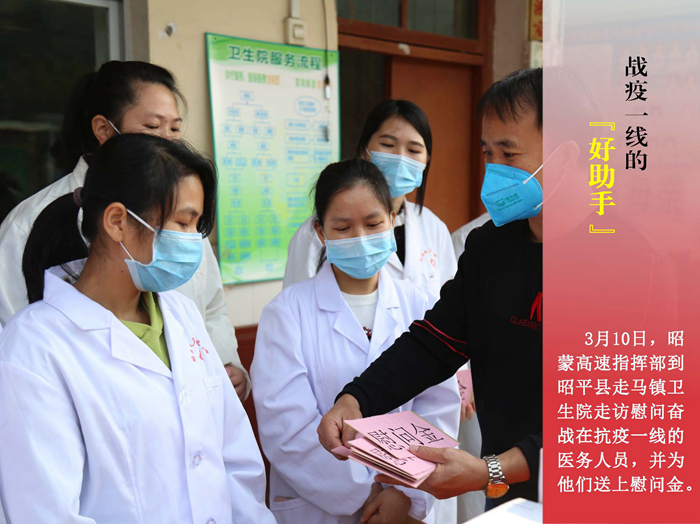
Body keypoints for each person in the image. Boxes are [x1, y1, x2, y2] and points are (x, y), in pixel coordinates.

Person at [0, 134, 275, 524]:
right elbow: (45, 511)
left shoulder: (181, 315)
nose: (194, 241)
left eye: (197, 225)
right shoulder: (34, 346)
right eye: (182, 222)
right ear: (117, 222)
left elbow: (233, 457)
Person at [318, 68, 554, 509]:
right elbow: (436, 342)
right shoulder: (489, 247)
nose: (495, 170)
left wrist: (490, 470)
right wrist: (358, 398)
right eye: (488, 152)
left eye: (509, 152)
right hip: (508, 498)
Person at [0, 61, 250, 400]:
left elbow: (211, 307)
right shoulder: (27, 224)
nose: (167, 141)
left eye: (175, 129)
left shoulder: (183, 221)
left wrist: (226, 364)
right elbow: (15, 340)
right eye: (152, 127)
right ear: (104, 129)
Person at [252, 159, 460, 524]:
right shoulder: (286, 314)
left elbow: (438, 409)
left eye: (373, 223)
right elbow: (287, 430)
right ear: (320, 232)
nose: (360, 238)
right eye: (343, 227)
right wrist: (370, 492)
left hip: (406, 504)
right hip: (320, 505)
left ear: (392, 221)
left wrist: (405, 494)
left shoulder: (422, 305)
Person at [283, 100, 457, 303]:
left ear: (426, 159)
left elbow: (451, 301)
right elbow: (296, 303)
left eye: (414, 150)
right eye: (388, 145)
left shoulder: (434, 227)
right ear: (364, 150)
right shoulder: (317, 234)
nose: (400, 158)